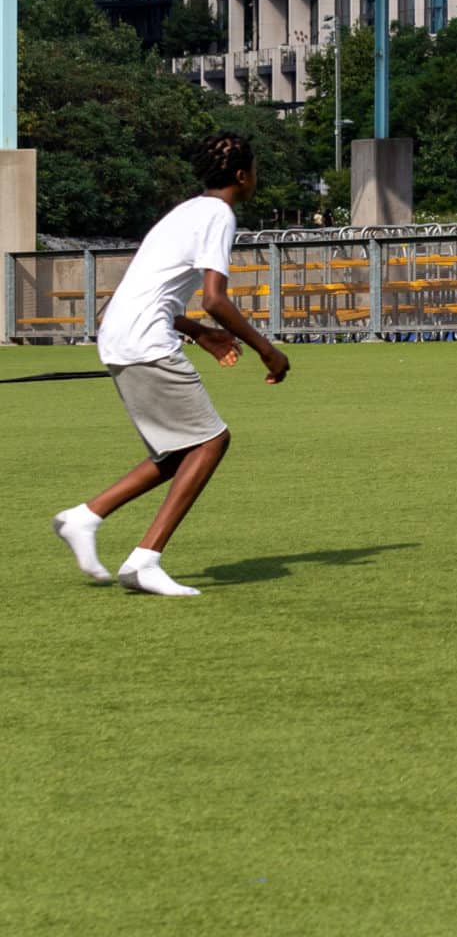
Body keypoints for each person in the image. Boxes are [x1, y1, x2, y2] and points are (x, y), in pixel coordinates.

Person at [51, 132, 290, 598]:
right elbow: (215, 299)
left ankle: (85, 517)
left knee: (179, 452)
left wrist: (198, 332)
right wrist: (267, 348)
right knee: (211, 442)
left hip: (121, 333)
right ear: (242, 176)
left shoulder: (184, 211)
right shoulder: (220, 215)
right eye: (255, 170)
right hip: (145, 340)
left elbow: (151, 287)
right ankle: (145, 560)